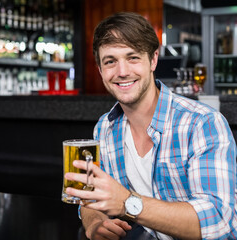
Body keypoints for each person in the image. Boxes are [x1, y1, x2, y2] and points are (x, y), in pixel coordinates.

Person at [65, 12, 237, 240]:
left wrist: (127, 203)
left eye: (133, 57)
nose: (122, 71)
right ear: (100, 70)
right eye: (110, 61)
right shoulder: (105, 128)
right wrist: (95, 223)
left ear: (153, 60)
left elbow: (218, 221)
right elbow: (91, 198)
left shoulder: (201, 123)